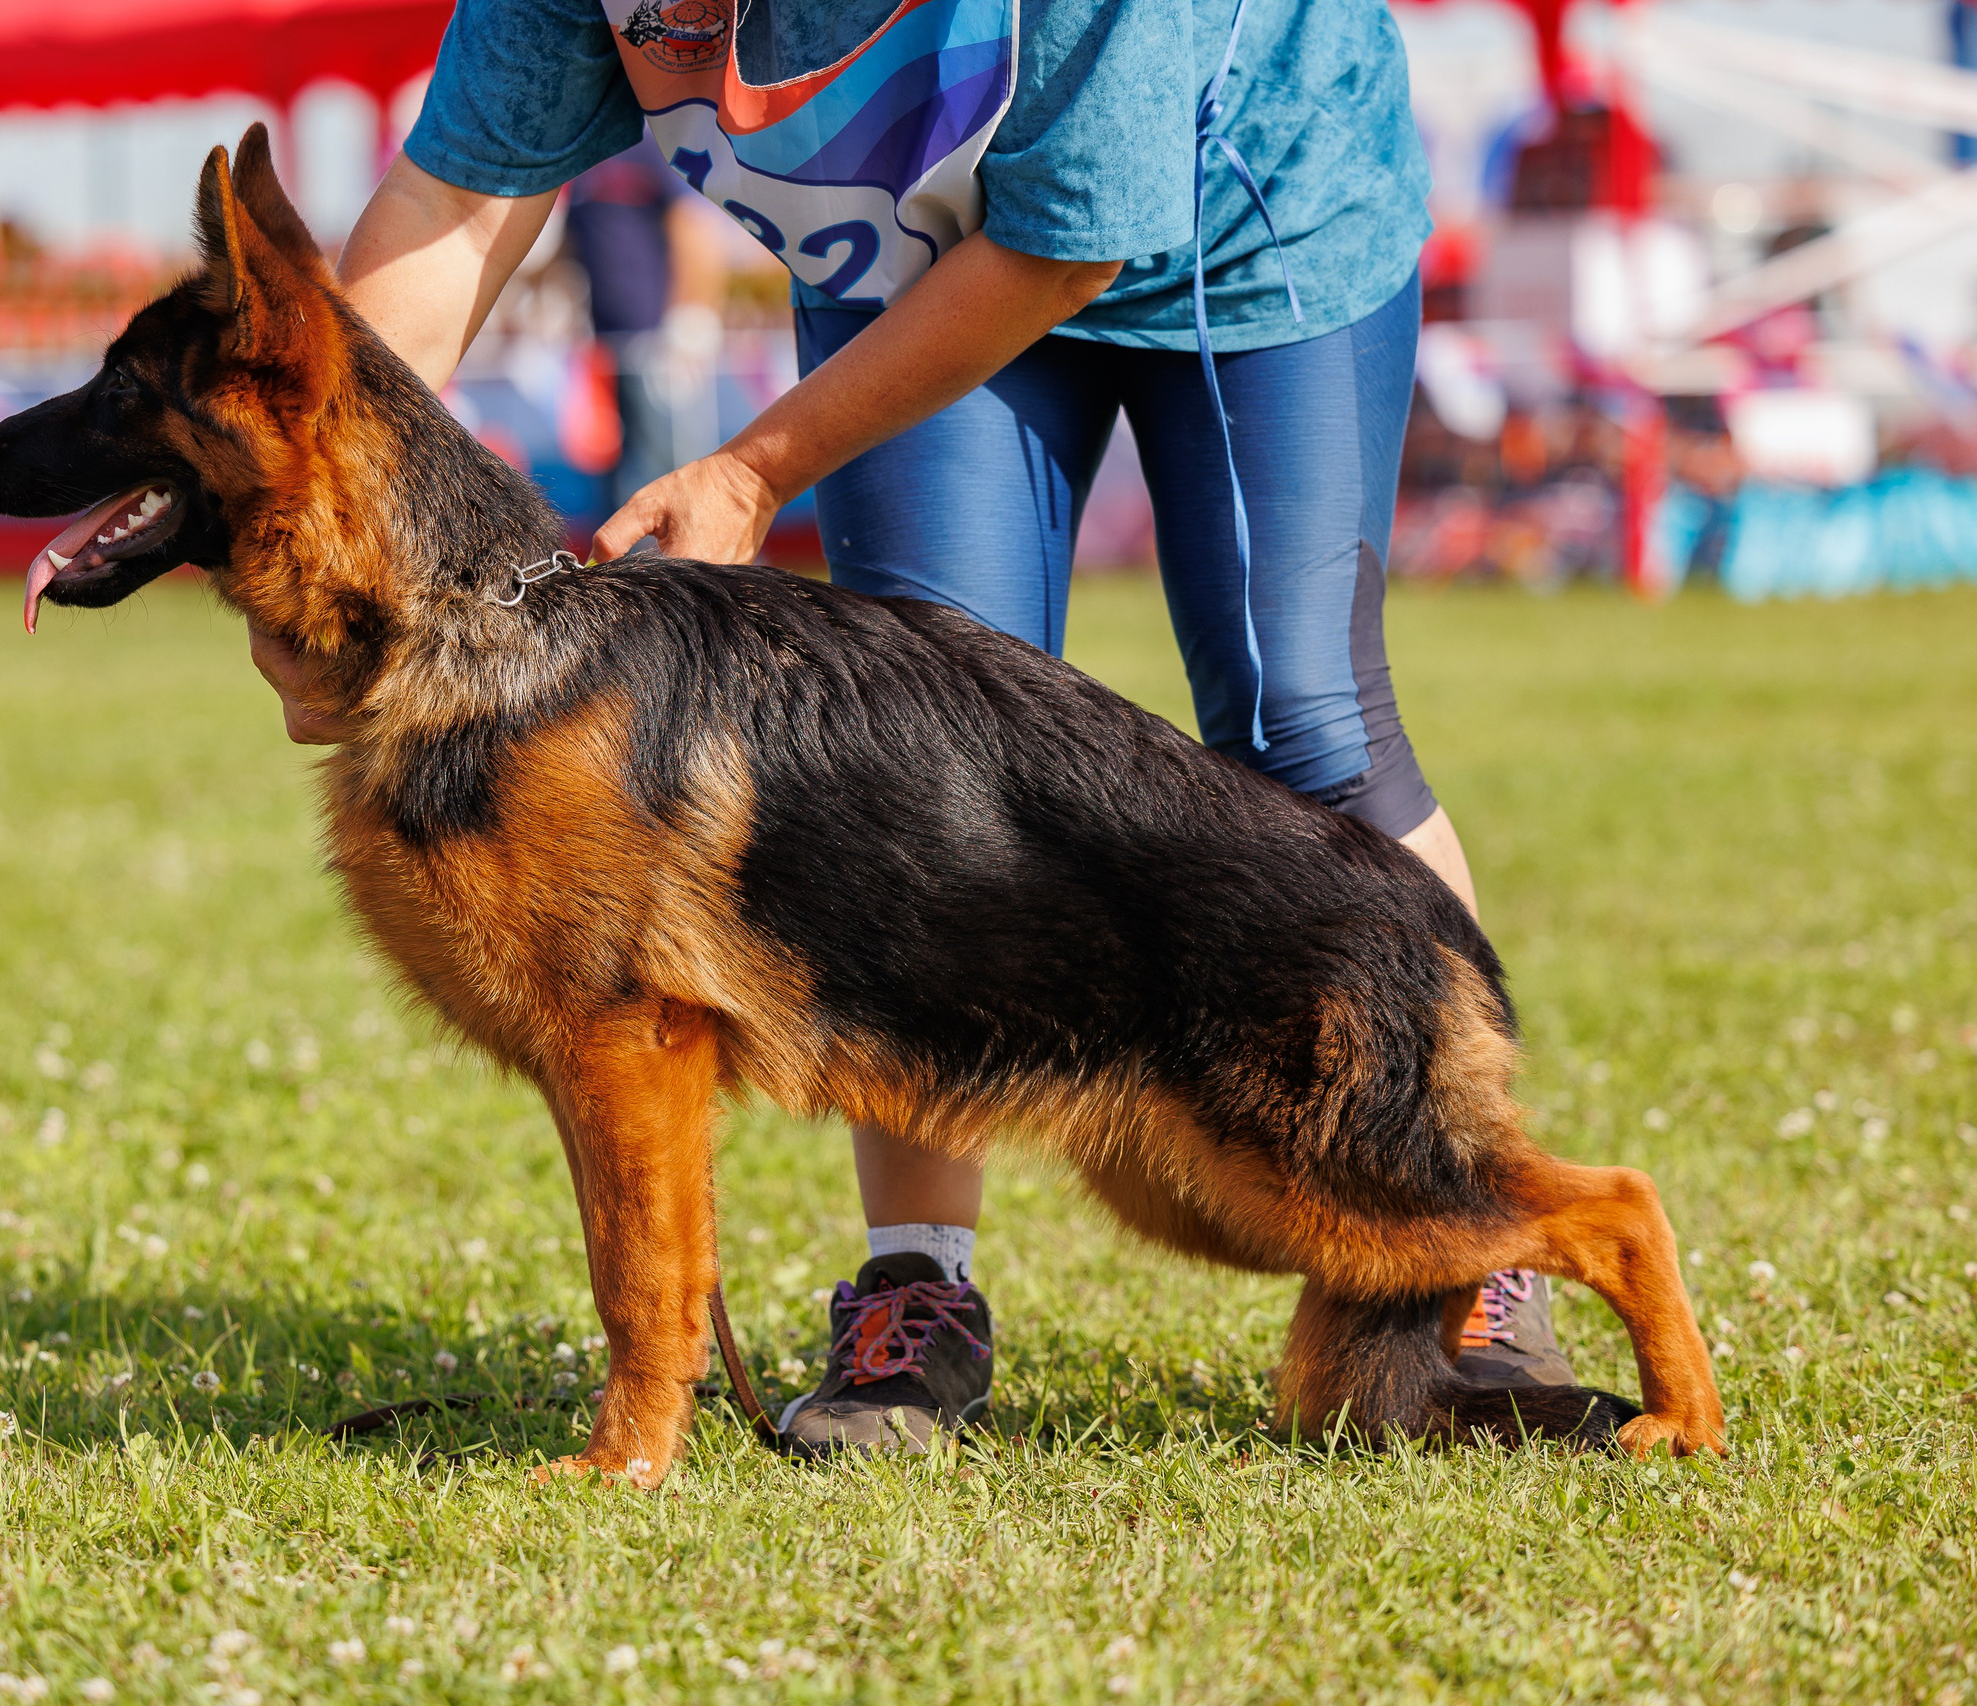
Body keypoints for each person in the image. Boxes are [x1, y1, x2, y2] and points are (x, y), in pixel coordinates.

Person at [254, 0, 1574, 1451]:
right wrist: (325, 529)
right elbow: (458, 194)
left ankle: (1476, 1248)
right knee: (908, 768)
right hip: (906, 242)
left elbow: (1070, 236)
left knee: (1303, 714)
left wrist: (761, 467)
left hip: (1248, 207)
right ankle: (918, 1291)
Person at [563, 139, 728, 510]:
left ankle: (696, 563)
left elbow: (695, 229)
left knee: (671, 462)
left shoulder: (652, 149)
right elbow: (572, 245)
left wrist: (692, 313)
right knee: (623, 464)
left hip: (660, 343)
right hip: (608, 346)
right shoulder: (580, 162)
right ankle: (630, 563)